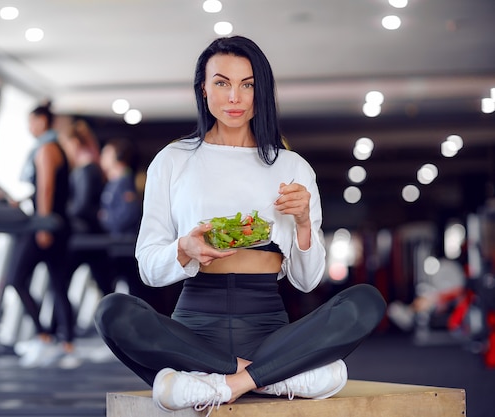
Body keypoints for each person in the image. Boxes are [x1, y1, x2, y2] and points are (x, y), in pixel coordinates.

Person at [94, 35, 386, 415]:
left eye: (247, 85)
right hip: (193, 330)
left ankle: (216, 384)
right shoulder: (172, 160)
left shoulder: (292, 167)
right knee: (111, 312)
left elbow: (307, 281)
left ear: (260, 90)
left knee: (365, 301)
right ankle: (271, 378)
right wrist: (185, 248)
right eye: (222, 83)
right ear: (203, 88)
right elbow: (148, 268)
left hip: (270, 330)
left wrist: (301, 223)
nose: (235, 97)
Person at [5, 103, 77, 368]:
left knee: (16, 278)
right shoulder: (56, 146)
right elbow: (45, 188)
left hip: (46, 225)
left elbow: (46, 188)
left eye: (30, 122)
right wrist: (23, 199)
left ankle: (44, 334)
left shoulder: (46, 149)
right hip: (58, 223)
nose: (28, 127)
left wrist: (43, 225)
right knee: (58, 284)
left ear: (41, 122)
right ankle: (66, 341)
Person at [58, 119, 105, 233]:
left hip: (84, 230)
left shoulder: (85, 169)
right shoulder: (89, 166)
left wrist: (60, 212)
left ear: (74, 143)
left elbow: (81, 206)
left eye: (65, 145)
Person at [98, 137, 142, 235]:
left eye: (106, 153)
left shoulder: (124, 181)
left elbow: (128, 214)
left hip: (123, 241)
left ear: (118, 156)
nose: (102, 157)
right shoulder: (114, 182)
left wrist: (105, 218)